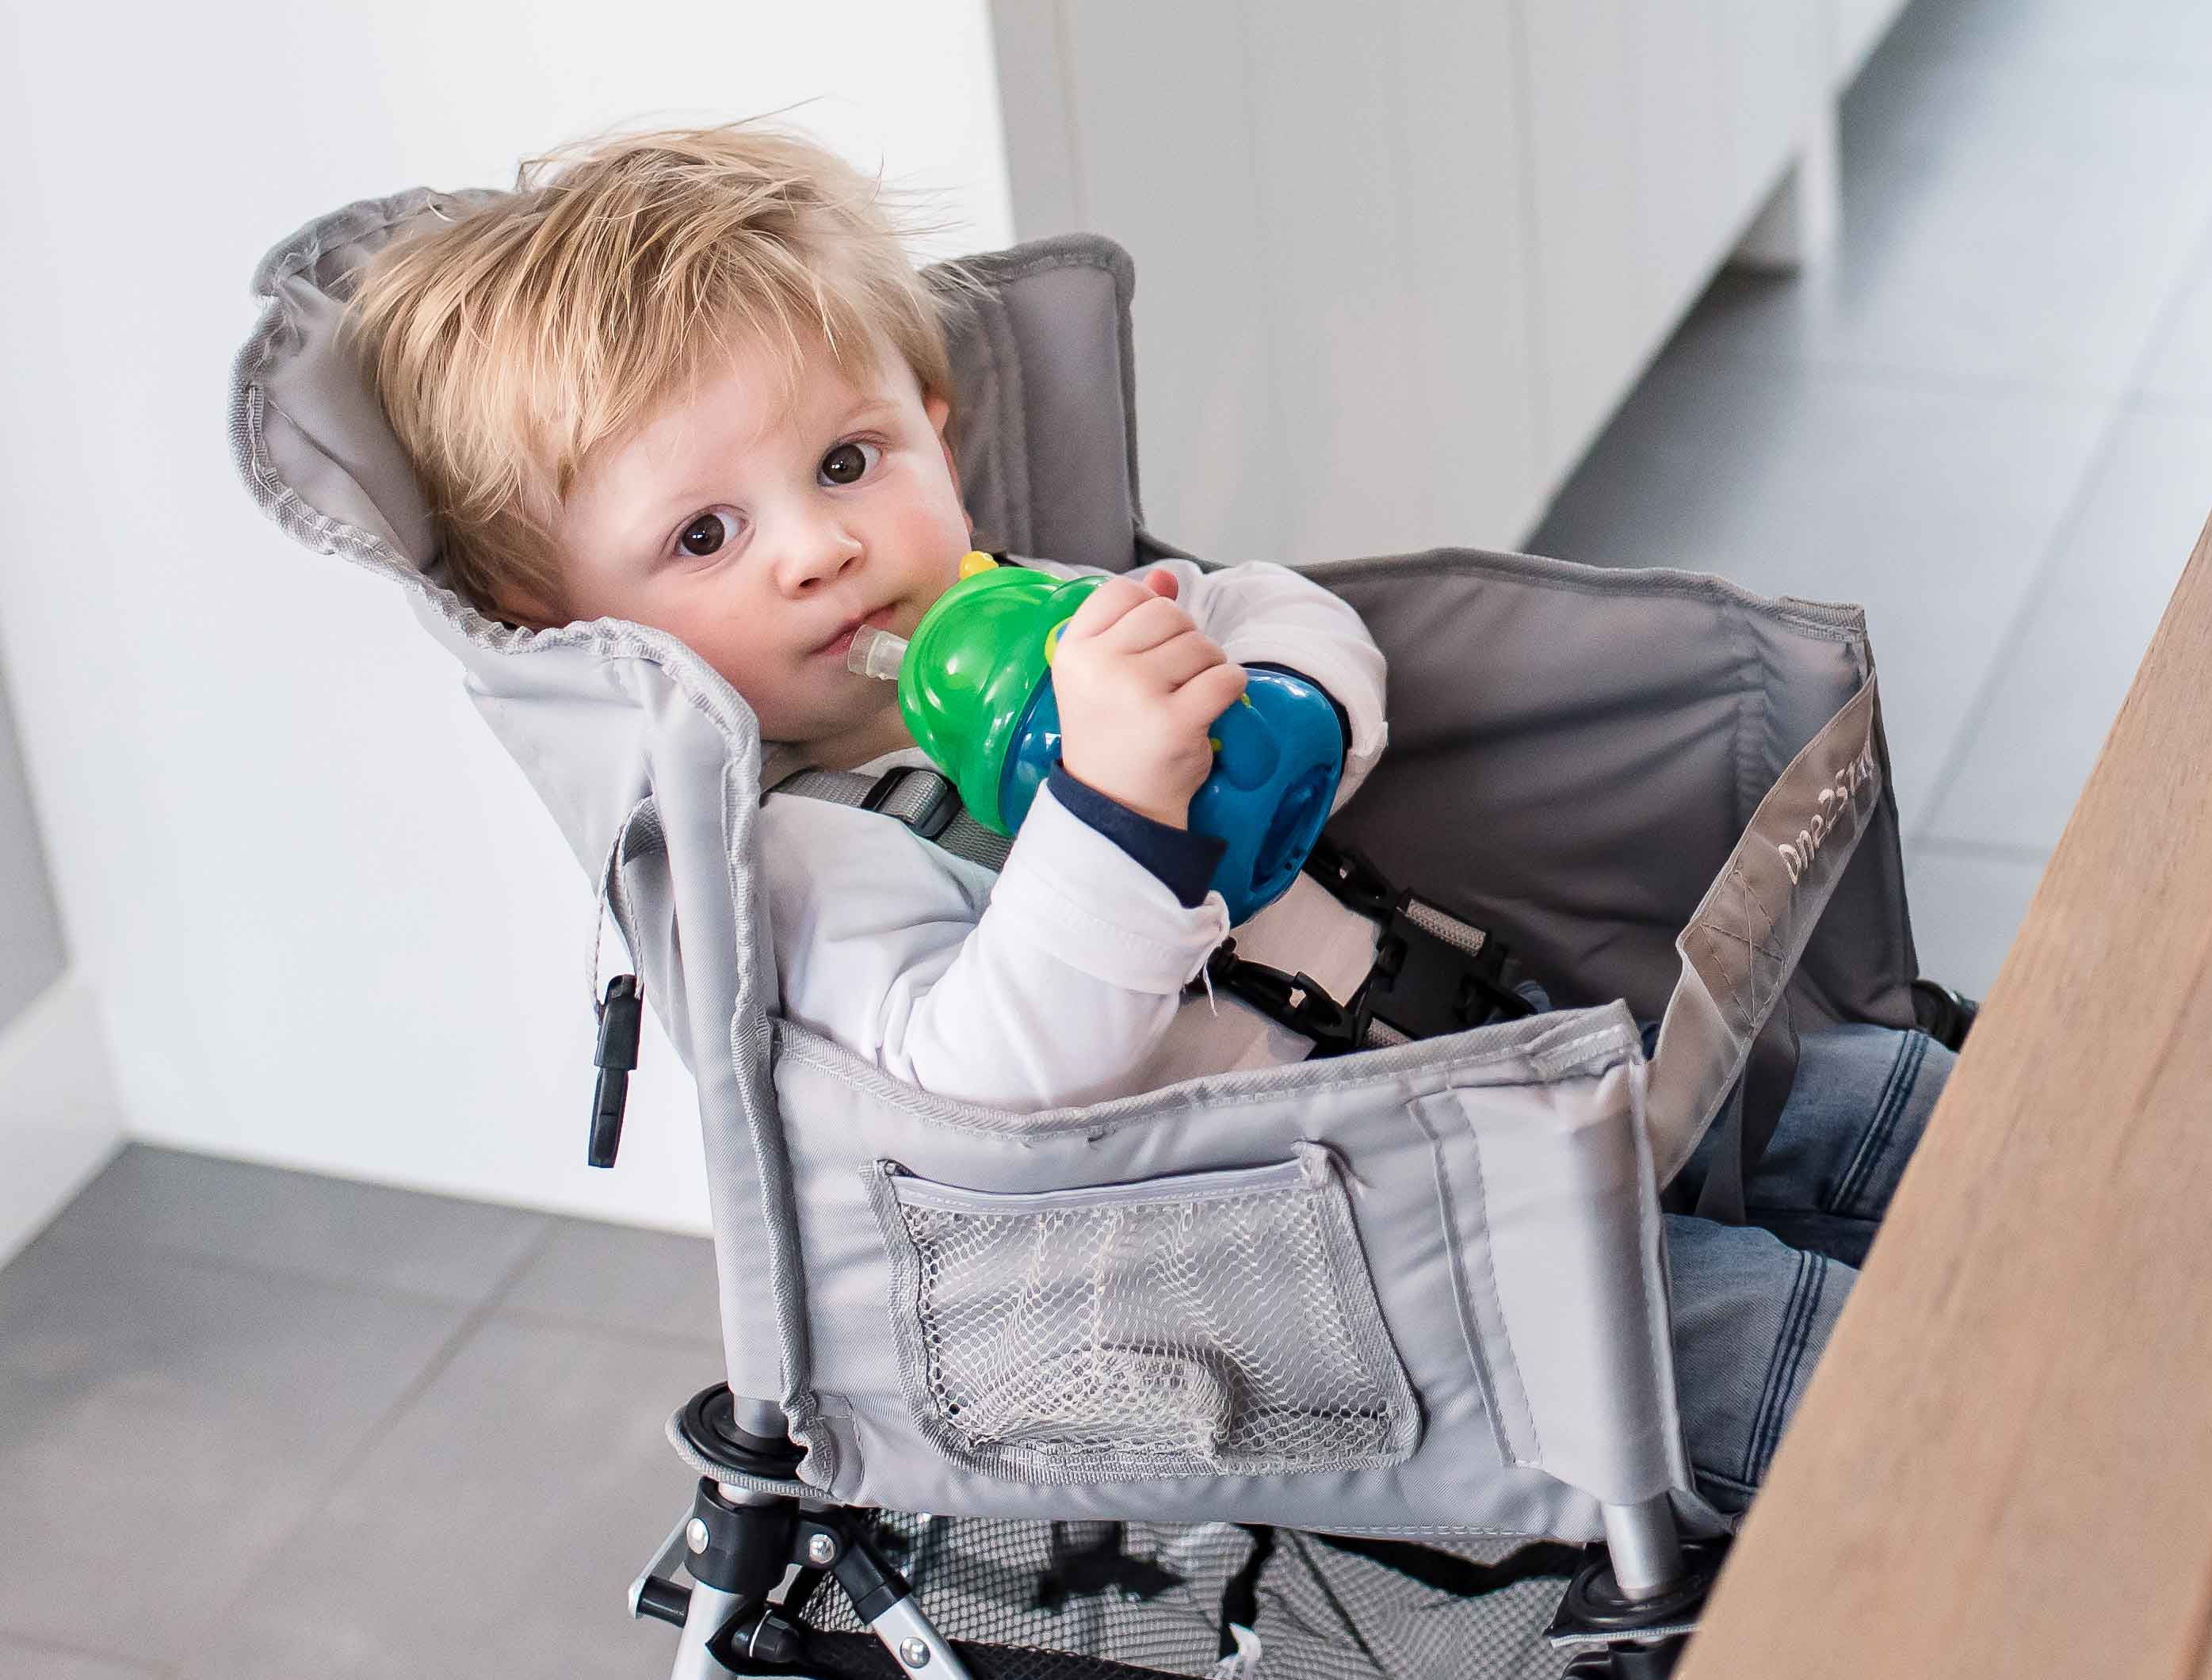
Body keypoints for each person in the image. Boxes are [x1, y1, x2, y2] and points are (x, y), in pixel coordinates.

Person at [343, 117, 1951, 1540]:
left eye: (848, 460)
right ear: (579, 631)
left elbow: (1275, 610)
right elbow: (990, 1078)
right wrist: (1114, 811)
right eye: (705, 534)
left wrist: (1286, 703)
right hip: (1374, 1271)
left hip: (1518, 1056)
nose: (820, 550)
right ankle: (2036, 1438)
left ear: (934, 420)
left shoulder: (1059, 623)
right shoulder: (799, 857)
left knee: (1886, 1102)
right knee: (1810, 1354)